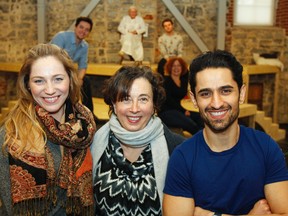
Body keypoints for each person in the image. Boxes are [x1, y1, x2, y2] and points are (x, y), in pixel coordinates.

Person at [163, 50, 288, 215]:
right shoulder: (183, 158)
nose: (216, 103)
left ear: (241, 94)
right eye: (206, 93)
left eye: (226, 91)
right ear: (194, 100)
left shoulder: (266, 148)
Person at [0, 44, 96, 215]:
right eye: (39, 81)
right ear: (28, 84)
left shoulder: (85, 125)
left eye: (58, 79)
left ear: (70, 79)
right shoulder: (11, 134)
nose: (50, 90)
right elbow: (9, 206)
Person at [90, 66, 185, 215]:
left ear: (154, 105)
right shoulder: (94, 143)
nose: (134, 109)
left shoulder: (177, 150)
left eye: (143, 99)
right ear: (114, 105)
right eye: (126, 99)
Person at [50, 16, 94, 113]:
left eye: (87, 30)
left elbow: (83, 66)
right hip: (50, 69)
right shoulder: (61, 37)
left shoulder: (85, 46)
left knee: (86, 81)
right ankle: (67, 113)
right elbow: (55, 60)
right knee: (67, 82)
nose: (83, 31)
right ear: (75, 27)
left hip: (65, 72)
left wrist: (79, 79)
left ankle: (89, 115)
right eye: (81, 27)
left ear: (89, 33)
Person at [158, 57, 203, 136]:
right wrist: (183, 111)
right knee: (192, 125)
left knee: (200, 118)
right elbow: (169, 100)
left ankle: (206, 139)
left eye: (179, 66)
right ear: (170, 68)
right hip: (167, 112)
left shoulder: (183, 81)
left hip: (178, 110)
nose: (176, 68)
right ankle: (200, 142)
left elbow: (189, 73)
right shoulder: (166, 81)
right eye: (173, 66)